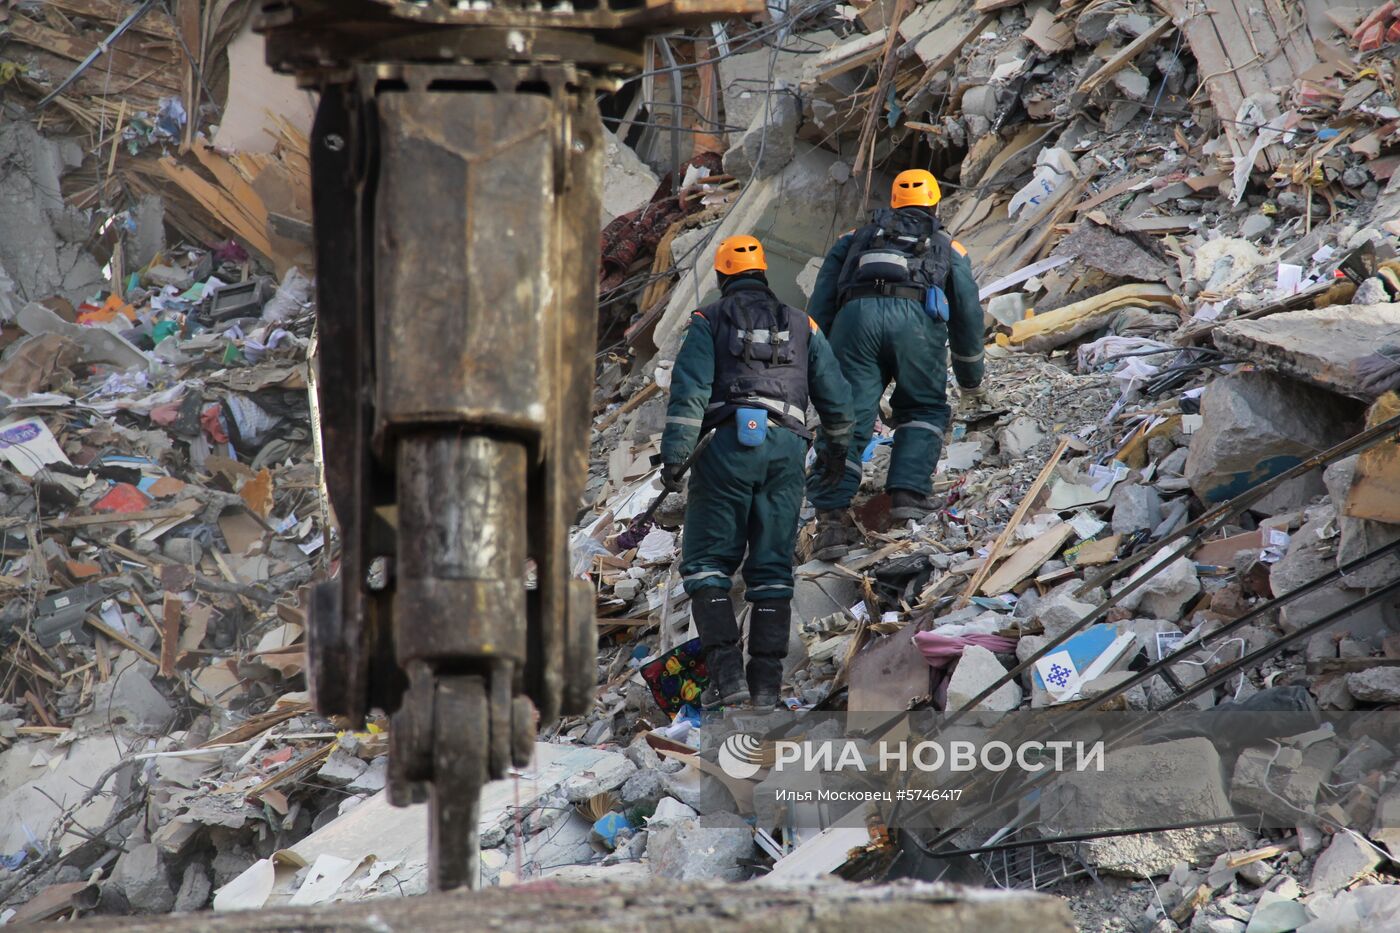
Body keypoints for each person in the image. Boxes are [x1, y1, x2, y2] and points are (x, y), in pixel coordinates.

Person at [661, 234, 854, 708]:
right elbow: (838, 400)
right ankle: (766, 688)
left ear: (723, 277)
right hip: (787, 447)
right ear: (764, 273)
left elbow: (689, 394)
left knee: (707, 565)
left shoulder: (708, 320)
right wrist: (835, 453)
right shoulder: (802, 323)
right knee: (771, 570)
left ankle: (729, 680)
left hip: (726, 446)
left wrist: (675, 459)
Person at [805, 168, 988, 560]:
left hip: (855, 324)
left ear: (893, 204)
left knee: (845, 420)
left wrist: (817, 361)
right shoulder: (946, 246)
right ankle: (907, 493)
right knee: (922, 407)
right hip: (916, 325)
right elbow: (968, 314)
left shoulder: (853, 240)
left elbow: (820, 303)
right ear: (935, 204)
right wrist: (971, 376)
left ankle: (831, 523)